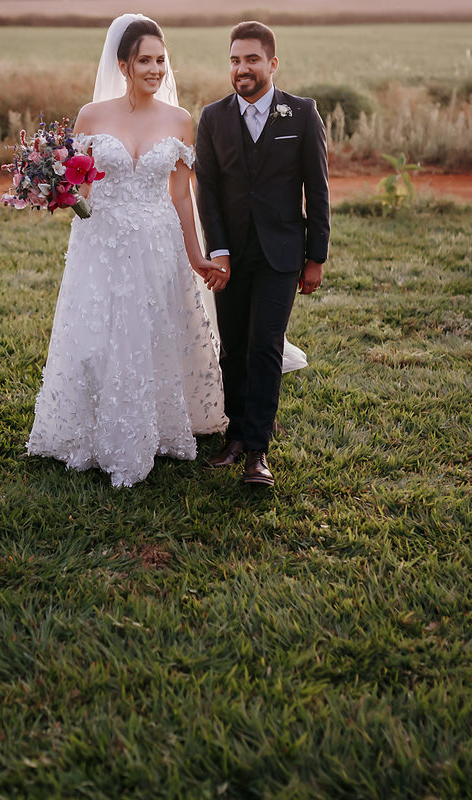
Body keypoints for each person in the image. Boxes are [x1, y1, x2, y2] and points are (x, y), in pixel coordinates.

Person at [26, 14, 229, 488]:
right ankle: (90, 430)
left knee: (152, 331)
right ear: (123, 64)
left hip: (157, 242)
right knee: (98, 334)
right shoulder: (91, 116)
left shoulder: (180, 121)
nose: (156, 70)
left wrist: (197, 256)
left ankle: (150, 428)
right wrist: (54, 191)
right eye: (145, 61)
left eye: (161, 60)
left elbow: (182, 196)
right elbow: (79, 183)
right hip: (102, 242)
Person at [195, 20, 330, 487]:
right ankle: (234, 435)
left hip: (281, 253)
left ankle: (257, 452)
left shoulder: (302, 113)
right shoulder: (212, 118)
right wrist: (219, 251)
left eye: (252, 59)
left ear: (272, 64)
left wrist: (316, 258)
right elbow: (207, 193)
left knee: (266, 344)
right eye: (234, 60)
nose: (242, 68)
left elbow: (319, 188)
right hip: (229, 257)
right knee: (232, 347)